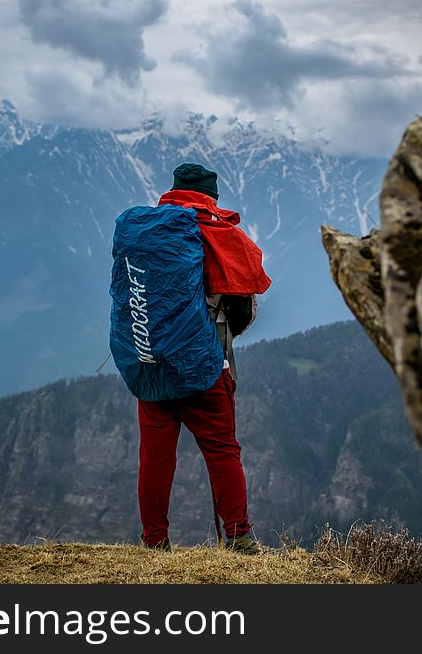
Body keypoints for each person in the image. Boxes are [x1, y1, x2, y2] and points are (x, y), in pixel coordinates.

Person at [137, 162, 270, 554]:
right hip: (206, 365)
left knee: (155, 455)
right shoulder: (220, 237)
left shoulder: (148, 235)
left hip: (152, 363)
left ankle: (154, 541)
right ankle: (238, 537)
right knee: (222, 450)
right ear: (211, 197)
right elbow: (242, 312)